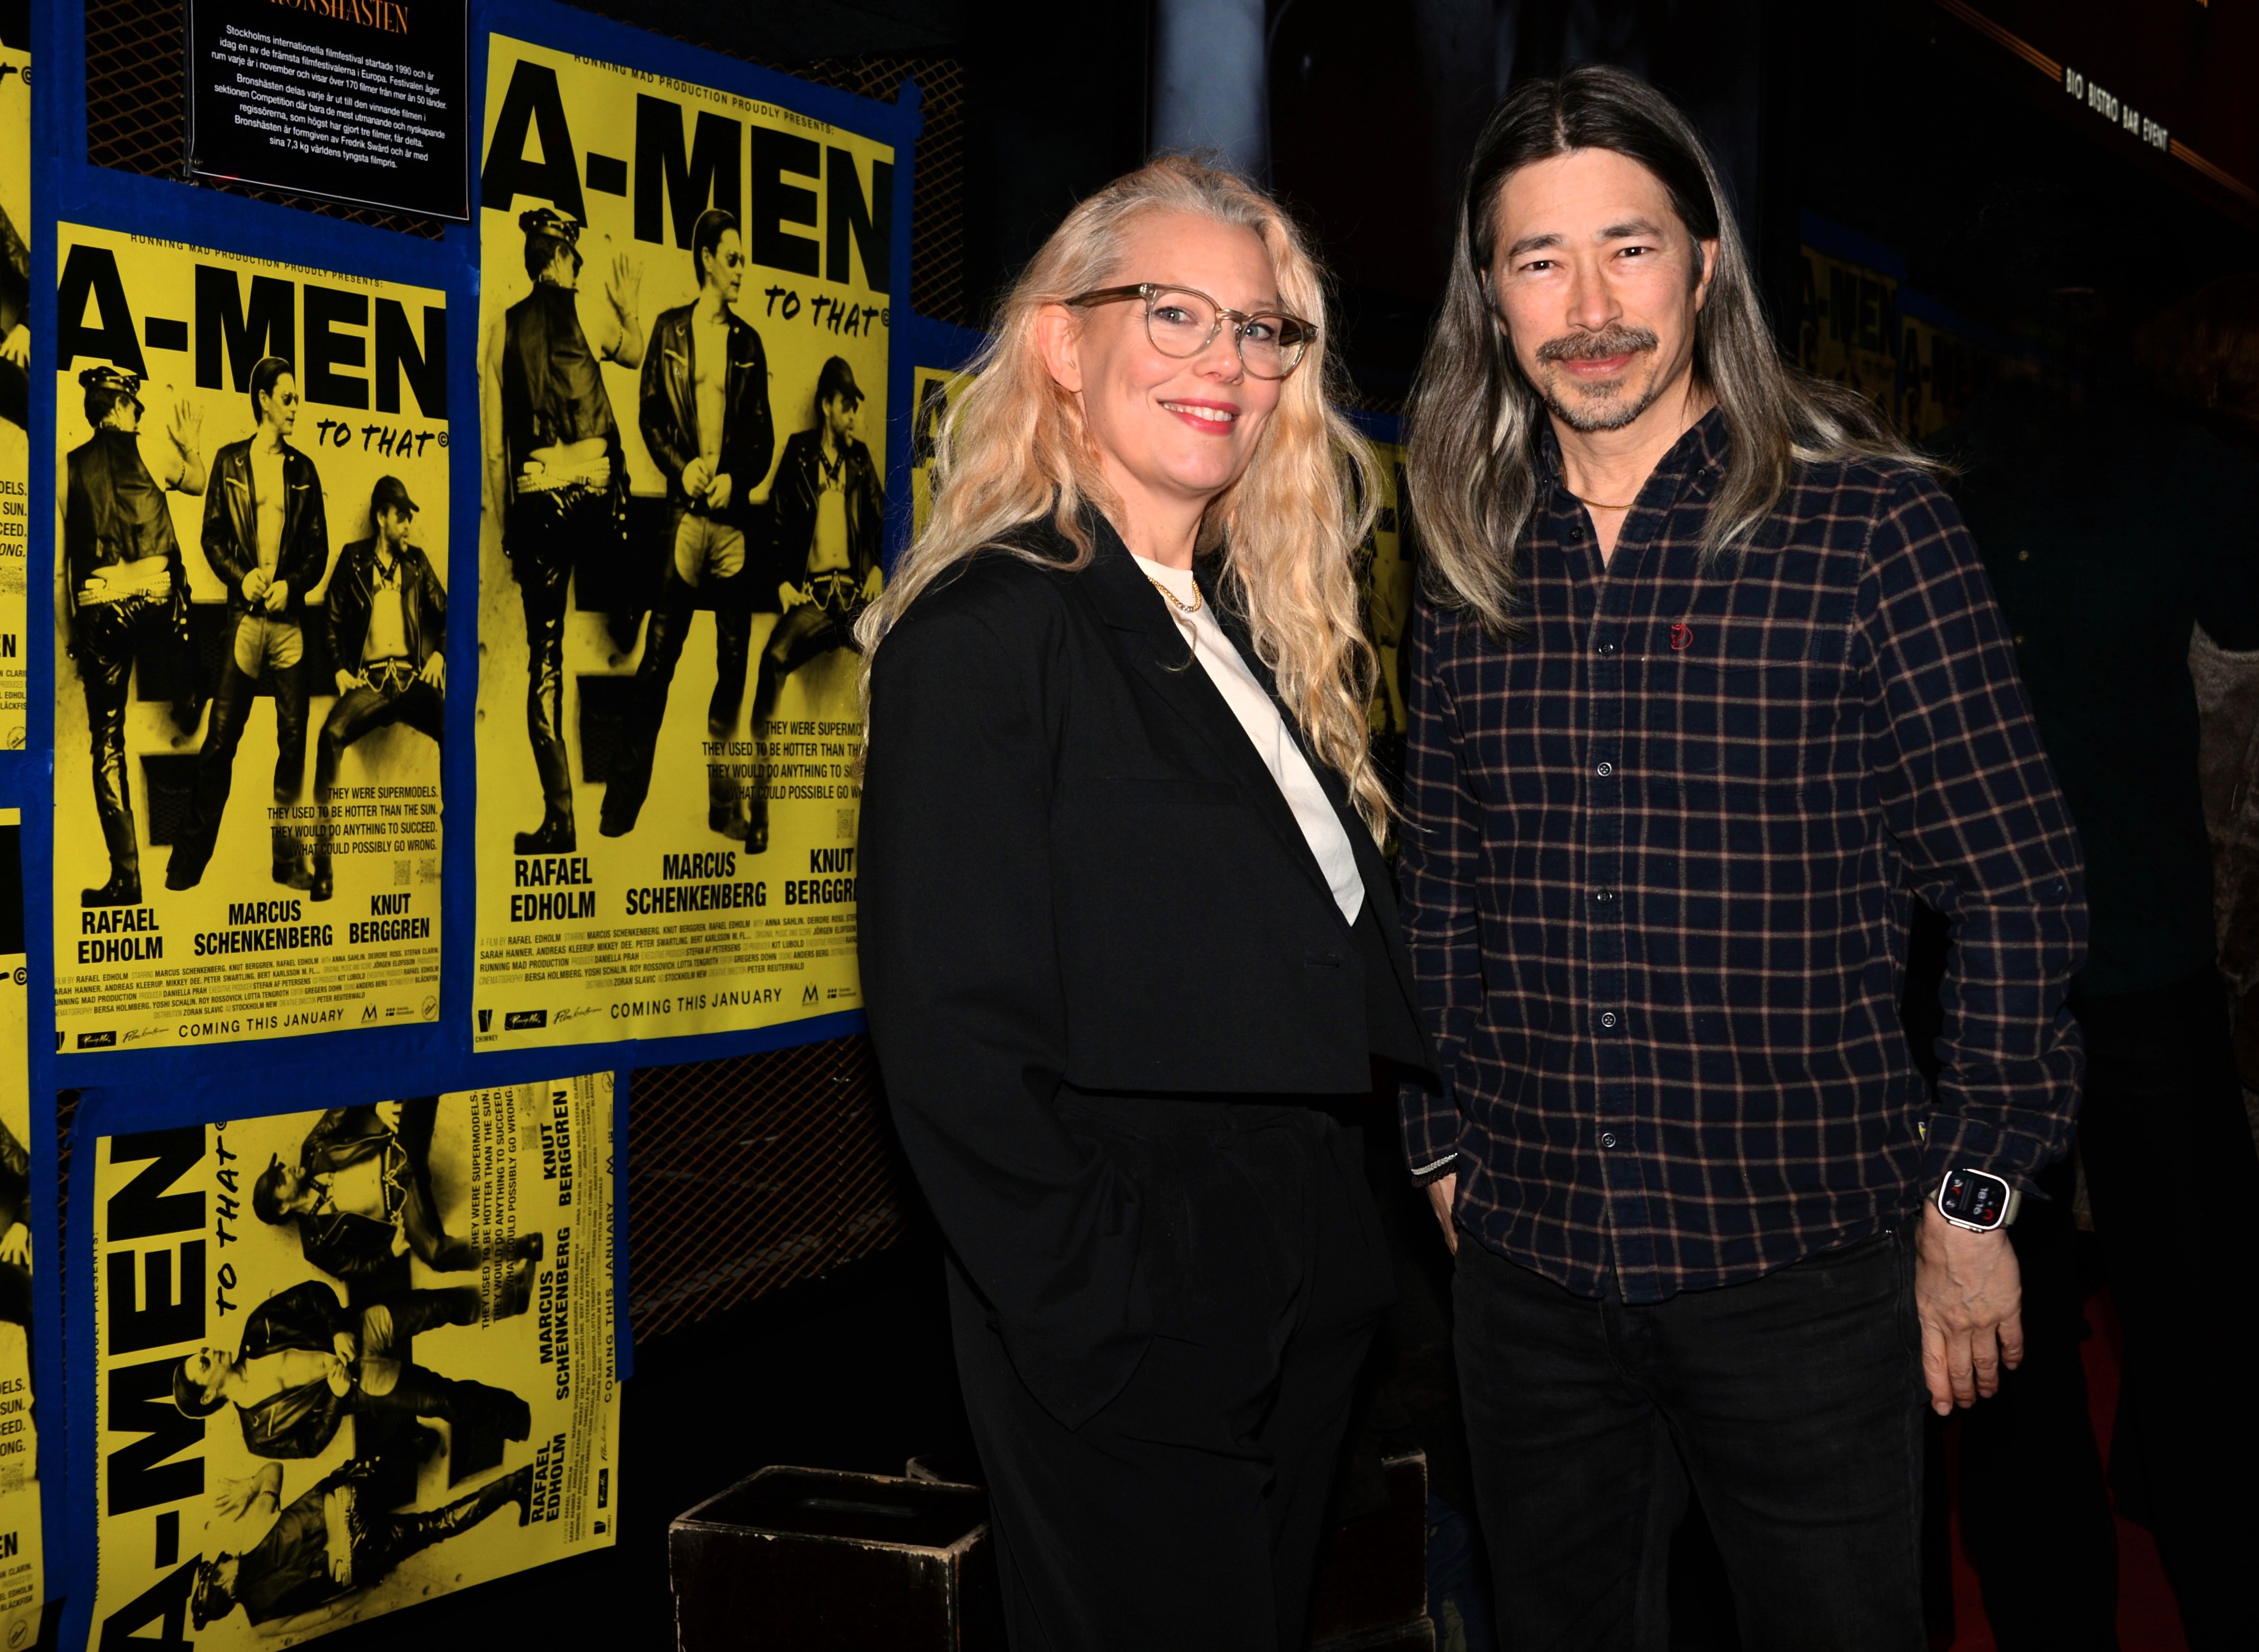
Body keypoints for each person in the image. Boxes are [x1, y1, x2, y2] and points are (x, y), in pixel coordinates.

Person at [1396, 68, 2085, 1648]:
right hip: (1529, 1275)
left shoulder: (1869, 528)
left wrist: (1975, 1200)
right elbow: (1443, 881)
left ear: (1704, 264)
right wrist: (1437, 1142)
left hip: (1802, 1276)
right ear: (1489, 296)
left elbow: (2016, 879)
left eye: (1628, 249)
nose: (1589, 309)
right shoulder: (1466, 546)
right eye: (1540, 261)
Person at [860, 155, 1430, 1652]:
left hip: (1299, 1268)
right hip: (1126, 1289)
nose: (1223, 363)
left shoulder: (1246, 627)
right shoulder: (988, 627)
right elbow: (950, 1038)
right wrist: (1100, 1306)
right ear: (1064, 342)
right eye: (1174, 314)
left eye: (1259, 330)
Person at [1932, 279, 2259, 1649]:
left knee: (2180, 1338)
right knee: (2026, 1350)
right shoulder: (1946, 487)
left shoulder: (2181, 475)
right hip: (2022, 984)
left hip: (2127, 970)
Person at [605, 206, 775, 839]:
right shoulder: (670, 331)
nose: (741, 270)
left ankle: (724, 812)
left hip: (731, 526)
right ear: (706, 259)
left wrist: (736, 479)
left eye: (743, 260)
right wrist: (681, 470)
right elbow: (650, 415)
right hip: (683, 520)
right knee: (657, 663)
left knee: (734, 666)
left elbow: (762, 437)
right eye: (732, 259)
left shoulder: (748, 343)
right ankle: (620, 809)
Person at [482, 207, 644, 856]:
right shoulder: (590, 312)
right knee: (629, 618)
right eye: (574, 257)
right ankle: (627, 612)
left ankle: (561, 820)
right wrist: (629, 310)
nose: (578, 267)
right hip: (598, 490)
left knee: (544, 662)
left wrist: (509, 528)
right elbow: (633, 350)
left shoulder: (501, 329)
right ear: (558, 258)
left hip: (537, 499)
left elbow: (496, 450)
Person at [168, 356, 330, 893]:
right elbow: (212, 537)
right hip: (244, 621)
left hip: (289, 624)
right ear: (263, 400)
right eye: (287, 398)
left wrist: (293, 586)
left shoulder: (304, 470)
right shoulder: (229, 461)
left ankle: (288, 865)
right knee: (219, 742)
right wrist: (241, 579)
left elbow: (318, 550)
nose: (295, 407)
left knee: (294, 744)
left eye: (297, 399)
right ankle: (186, 866)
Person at [62, 365, 205, 907]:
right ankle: (188, 692)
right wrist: (190, 447)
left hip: (98, 609)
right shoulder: (152, 450)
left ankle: (126, 879)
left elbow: (56, 573)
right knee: (177, 599)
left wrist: (73, 639)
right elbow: (198, 481)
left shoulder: (66, 468)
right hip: (156, 598)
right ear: (120, 409)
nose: (139, 416)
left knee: (107, 743)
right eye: (135, 408)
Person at [745, 355, 883, 851]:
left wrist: (876, 567)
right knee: (772, 660)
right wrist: (782, 583)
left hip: (854, 598)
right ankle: (759, 808)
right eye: (847, 406)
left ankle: (887, 808)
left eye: (855, 407)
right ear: (827, 406)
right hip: (815, 597)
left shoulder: (860, 460)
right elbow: (776, 522)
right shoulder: (799, 453)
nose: (853, 416)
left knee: (897, 664)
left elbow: (885, 519)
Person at [172, 1278, 532, 1458]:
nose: (210, 1352)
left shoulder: (258, 1326)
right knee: (444, 1400)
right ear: (208, 1396)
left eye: (202, 1351)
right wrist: (336, 1395)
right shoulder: (258, 1436)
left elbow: (313, 1293)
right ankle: (523, 1421)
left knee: (441, 1305)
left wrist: (337, 1329)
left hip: (361, 1329)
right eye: (204, 1362)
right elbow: (311, 1443)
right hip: (361, 1384)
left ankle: (516, 1295)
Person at [191, 1458, 533, 1639]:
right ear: (221, 1580)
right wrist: (250, 1486)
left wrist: (372, 1584)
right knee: (370, 1465)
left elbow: (329, 1612)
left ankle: (514, 1485)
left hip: (360, 1554)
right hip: (349, 1500)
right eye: (219, 1565)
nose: (225, 1557)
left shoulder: (263, 1625)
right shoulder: (251, 1533)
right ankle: (408, 1445)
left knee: (438, 1525)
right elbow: (273, 1470)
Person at [313, 476, 447, 902]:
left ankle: (457, 846)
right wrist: (339, 670)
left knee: (456, 730)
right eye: (402, 517)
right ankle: (323, 866)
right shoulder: (353, 560)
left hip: (409, 680)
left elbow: (450, 614)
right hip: (368, 683)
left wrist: (440, 655)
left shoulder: (417, 563)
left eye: (409, 518)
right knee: (330, 736)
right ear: (382, 517)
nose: (408, 525)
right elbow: (330, 621)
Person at [251, 1099, 542, 1291]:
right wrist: (390, 1252)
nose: (286, 1169)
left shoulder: (313, 1149)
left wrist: (376, 1106)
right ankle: (525, 1247)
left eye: (280, 1168)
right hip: (403, 1207)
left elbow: (344, 1099)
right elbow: (357, 1270)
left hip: (400, 1151)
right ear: (282, 1207)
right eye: (280, 1178)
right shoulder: (316, 1244)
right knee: (435, 1254)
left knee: (422, 1085)